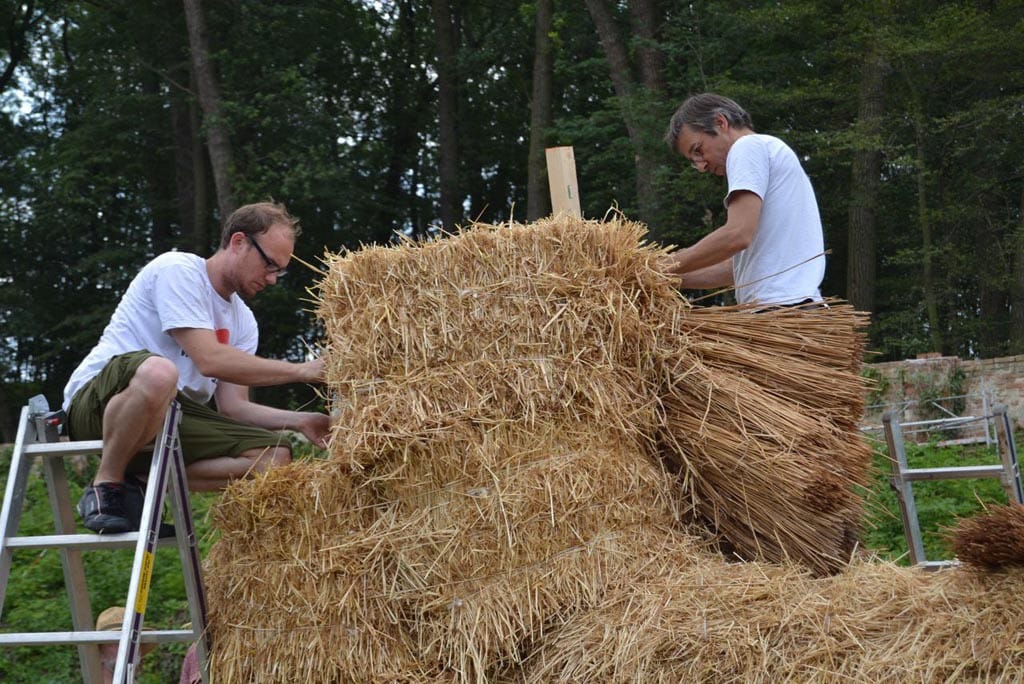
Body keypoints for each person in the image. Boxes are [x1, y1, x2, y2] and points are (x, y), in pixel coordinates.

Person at [63, 201, 331, 534]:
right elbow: (209, 359)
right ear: (238, 242)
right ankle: (106, 486)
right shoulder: (178, 270)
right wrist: (302, 370)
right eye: (269, 265)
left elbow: (234, 407)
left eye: (280, 270)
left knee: (273, 457)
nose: (274, 279)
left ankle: (143, 480)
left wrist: (300, 420)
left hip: (169, 418)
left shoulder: (244, 322)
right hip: (99, 404)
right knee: (160, 373)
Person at [660, 93, 826, 307]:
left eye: (698, 150)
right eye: (694, 160)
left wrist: (660, 265)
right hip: (795, 307)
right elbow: (737, 268)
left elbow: (736, 235)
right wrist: (674, 279)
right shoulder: (769, 150)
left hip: (779, 309)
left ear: (720, 122)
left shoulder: (747, 147)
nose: (701, 166)